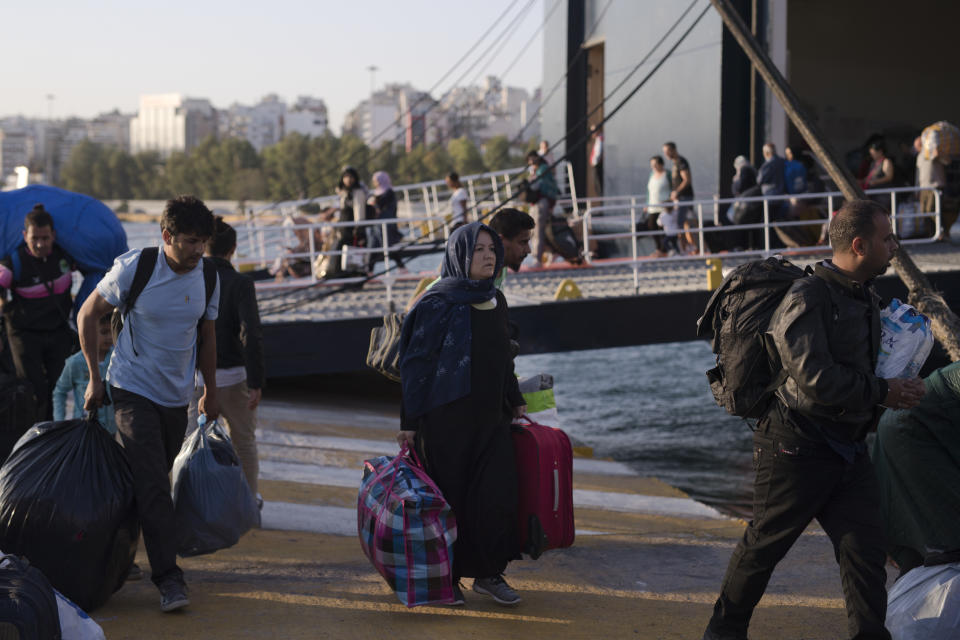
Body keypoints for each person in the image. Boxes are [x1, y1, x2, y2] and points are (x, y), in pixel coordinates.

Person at [703, 199, 925, 640]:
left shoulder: (864, 294)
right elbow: (814, 378)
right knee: (765, 546)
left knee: (864, 551)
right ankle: (722, 633)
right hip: (795, 446)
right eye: (887, 239)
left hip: (847, 447)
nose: (894, 246)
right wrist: (884, 392)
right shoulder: (807, 298)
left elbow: (862, 370)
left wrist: (897, 384)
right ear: (859, 245)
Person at [78, 195, 220, 614]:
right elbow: (89, 314)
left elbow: (207, 336)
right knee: (155, 482)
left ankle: (117, 553)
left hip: (177, 398)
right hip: (131, 388)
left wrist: (209, 390)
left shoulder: (209, 276)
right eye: (191, 241)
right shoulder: (136, 267)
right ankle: (169, 578)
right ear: (167, 236)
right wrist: (93, 376)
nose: (198, 250)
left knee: (150, 482)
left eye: (203, 242)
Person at [397, 222, 526, 607]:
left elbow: (505, 357)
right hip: (445, 423)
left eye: (492, 249)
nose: (488, 256)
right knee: (449, 502)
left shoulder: (495, 299)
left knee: (493, 498)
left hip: (491, 419)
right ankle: (445, 578)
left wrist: (515, 397)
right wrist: (408, 421)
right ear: (459, 255)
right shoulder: (436, 303)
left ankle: (487, 573)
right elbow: (415, 365)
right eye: (478, 250)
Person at [202, 217, 265, 499]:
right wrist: (256, 381)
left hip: (194, 378)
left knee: (189, 443)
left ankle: (188, 501)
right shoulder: (241, 283)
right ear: (233, 249)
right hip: (233, 376)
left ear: (204, 246)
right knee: (244, 444)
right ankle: (249, 504)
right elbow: (251, 332)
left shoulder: (192, 279)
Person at [0, 204, 78, 420]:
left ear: (53, 235)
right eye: (35, 238)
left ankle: (52, 434)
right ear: (25, 235)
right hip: (24, 334)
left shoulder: (65, 257)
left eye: (45, 238)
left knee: (58, 388)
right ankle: (32, 437)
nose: (40, 244)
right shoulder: (14, 262)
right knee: (32, 390)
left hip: (57, 331)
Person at [52, 313, 116, 433]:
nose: (109, 337)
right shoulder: (75, 362)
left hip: (111, 430)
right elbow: (59, 392)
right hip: (83, 429)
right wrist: (59, 422)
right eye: (104, 332)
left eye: (112, 331)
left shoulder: (117, 359)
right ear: (89, 333)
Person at [365, 171, 406, 273]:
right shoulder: (376, 192)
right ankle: (370, 270)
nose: (374, 182)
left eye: (376, 180)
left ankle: (401, 267)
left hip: (386, 224)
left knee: (388, 245)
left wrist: (374, 203)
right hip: (377, 224)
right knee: (373, 246)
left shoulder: (389, 192)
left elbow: (381, 206)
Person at [526, 151, 560, 265]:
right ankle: (549, 251)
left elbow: (537, 185)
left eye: (531, 159)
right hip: (539, 202)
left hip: (542, 201)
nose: (531, 162)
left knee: (538, 230)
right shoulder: (539, 169)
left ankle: (538, 258)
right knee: (538, 230)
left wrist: (530, 180)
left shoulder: (542, 169)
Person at [332, 167, 368, 277]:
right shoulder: (344, 192)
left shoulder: (358, 192)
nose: (348, 180)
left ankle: (352, 276)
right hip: (343, 227)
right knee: (339, 251)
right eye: (345, 177)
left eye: (350, 177)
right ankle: (341, 275)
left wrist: (359, 228)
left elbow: (359, 210)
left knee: (352, 252)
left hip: (353, 228)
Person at [914, 135, 945, 239]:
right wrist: (916, 188)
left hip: (933, 187)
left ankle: (940, 233)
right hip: (923, 188)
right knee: (924, 212)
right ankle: (931, 234)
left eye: (918, 145)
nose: (917, 147)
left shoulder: (932, 152)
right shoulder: (919, 156)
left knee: (932, 210)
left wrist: (938, 154)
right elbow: (918, 174)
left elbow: (946, 161)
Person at [645, 155, 673, 256]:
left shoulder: (667, 174)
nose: (654, 167)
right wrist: (647, 203)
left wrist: (670, 201)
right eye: (652, 165)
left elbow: (673, 188)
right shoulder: (651, 174)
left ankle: (663, 249)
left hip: (664, 206)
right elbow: (649, 191)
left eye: (655, 164)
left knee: (662, 227)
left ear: (661, 164)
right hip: (653, 205)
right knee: (651, 225)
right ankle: (659, 248)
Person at [663, 142, 693, 228]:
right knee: (680, 224)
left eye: (667, 151)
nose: (665, 154)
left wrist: (676, 192)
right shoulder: (675, 163)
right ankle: (683, 241)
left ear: (673, 150)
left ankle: (690, 241)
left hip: (684, 197)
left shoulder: (681, 162)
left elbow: (687, 180)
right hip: (679, 198)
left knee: (682, 224)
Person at [589, 125, 603, 195]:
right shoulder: (598, 139)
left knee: (598, 184)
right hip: (596, 164)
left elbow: (598, 152)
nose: (592, 133)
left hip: (596, 165)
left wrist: (594, 162)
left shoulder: (600, 139)